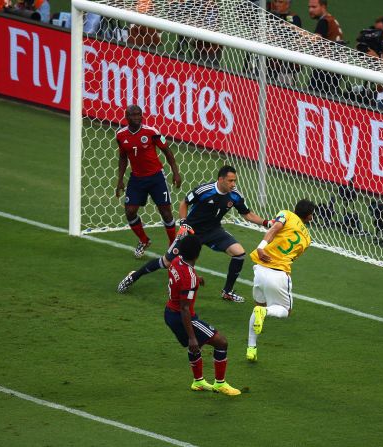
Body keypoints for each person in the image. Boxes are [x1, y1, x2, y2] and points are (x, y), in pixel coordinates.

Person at [118, 165, 274, 303]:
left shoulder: (235, 195)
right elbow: (184, 203)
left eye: (235, 181)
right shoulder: (204, 190)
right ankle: (134, 276)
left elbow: (247, 214)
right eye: (230, 181)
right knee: (166, 262)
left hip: (214, 231)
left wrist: (266, 223)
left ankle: (227, 292)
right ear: (220, 179)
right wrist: (184, 222)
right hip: (192, 231)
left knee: (239, 253)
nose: (233, 184)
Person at [163, 234, 241, 396]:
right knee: (221, 342)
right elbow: (184, 308)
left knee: (197, 345)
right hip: (182, 316)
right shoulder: (189, 278)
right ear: (197, 254)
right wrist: (191, 337)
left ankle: (198, 381)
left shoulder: (177, 261)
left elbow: (180, 279)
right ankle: (220, 384)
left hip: (170, 312)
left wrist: (196, 279)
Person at [246, 199, 316, 361]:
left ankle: (251, 347)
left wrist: (261, 247)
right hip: (279, 274)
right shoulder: (307, 240)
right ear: (309, 216)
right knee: (285, 311)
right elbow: (291, 257)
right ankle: (266, 312)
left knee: (258, 306)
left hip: (260, 269)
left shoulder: (285, 214)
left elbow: (275, 228)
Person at [115, 105, 183, 258]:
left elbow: (167, 151)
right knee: (130, 211)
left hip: (156, 177)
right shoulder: (120, 135)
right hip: (137, 178)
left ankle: (173, 247)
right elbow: (123, 157)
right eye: (133, 115)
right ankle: (144, 240)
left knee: (166, 212)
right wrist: (120, 180)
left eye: (139, 114)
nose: (137, 117)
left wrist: (175, 172)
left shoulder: (152, 132)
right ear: (127, 116)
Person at [308, 0, 344, 95]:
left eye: (314, 7)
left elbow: (314, 39)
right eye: (309, 7)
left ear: (323, 7)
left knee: (313, 96)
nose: (310, 10)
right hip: (335, 68)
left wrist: (297, 32)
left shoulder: (324, 21)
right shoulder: (331, 19)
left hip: (324, 70)